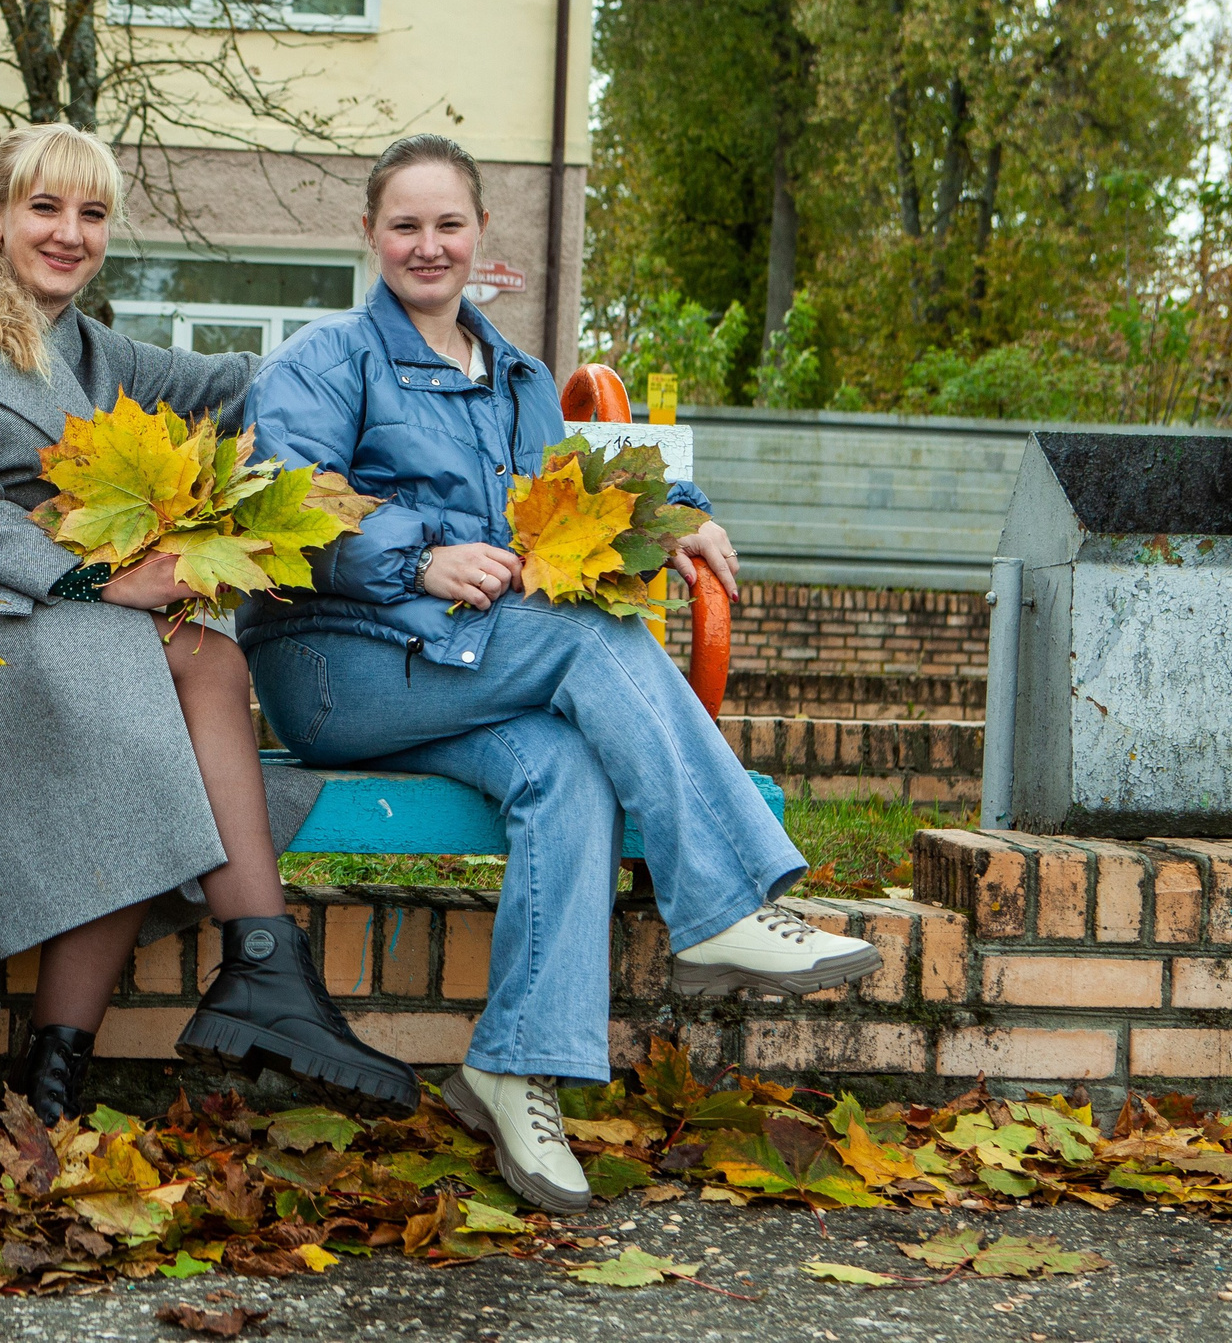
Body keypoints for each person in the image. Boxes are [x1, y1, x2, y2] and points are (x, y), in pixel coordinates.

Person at [241, 133, 880, 1214]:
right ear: (369, 236)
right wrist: (419, 554)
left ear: (482, 234)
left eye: (449, 224)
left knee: (566, 766)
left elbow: (572, 500)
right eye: (405, 224)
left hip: (464, 671)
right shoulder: (323, 360)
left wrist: (675, 518)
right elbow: (288, 502)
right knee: (594, 638)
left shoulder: (524, 380)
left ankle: (513, 1069)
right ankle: (724, 897)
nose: (428, 245)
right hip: (337, 666)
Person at [0, 121, 420, 1125]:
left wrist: (388, 336)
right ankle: (253, 974)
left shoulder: (94, 352)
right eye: (44, 208)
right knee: (159, 676)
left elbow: (242, 383)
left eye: (91, 213)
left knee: (175, 685)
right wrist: (93, 585)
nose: (69, 233)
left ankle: (78, 1068)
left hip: (47, 617)